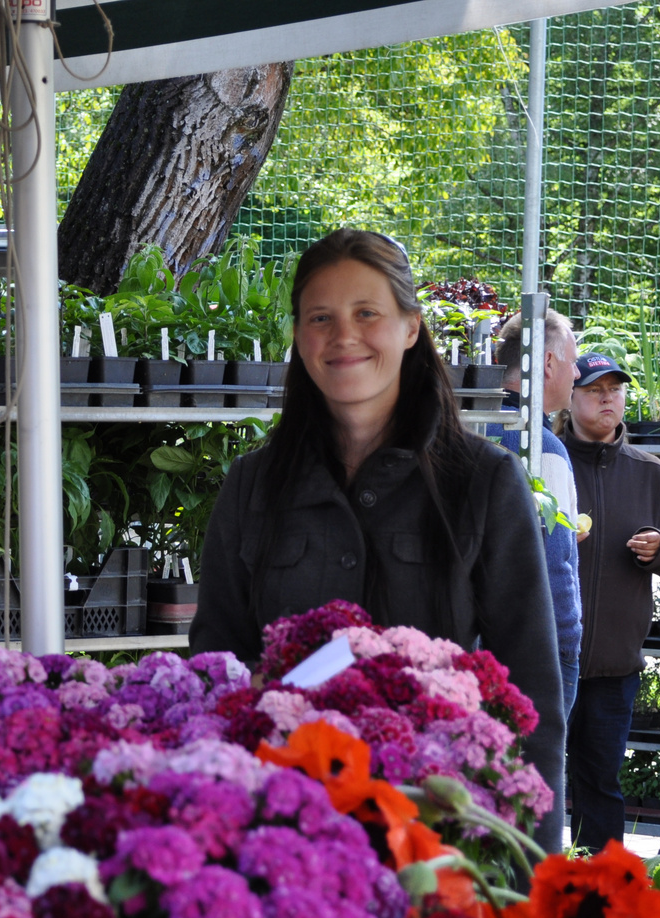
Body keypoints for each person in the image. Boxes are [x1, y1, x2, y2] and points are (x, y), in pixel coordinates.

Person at [189, 228, 568, 852]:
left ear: (411, 328)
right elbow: (217, 674)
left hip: (438, 846)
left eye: (368, 313)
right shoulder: (252, 486)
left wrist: (531, 876)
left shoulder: (482, 482)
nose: (344, 335)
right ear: (298, 335)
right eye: (320, 317)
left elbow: (532, 700)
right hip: (283, 841)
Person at [560, 352, 660, 852]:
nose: (607, 397)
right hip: (549, 660)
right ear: (570, 397)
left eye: (615, 389)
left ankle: (603, 895)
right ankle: (532, 893)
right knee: (535, 785)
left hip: (614, 668)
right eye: (595, 389)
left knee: (600, 787)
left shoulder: (651, 473)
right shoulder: (544, 464)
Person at [493, 310, 583, 720]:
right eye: (572, 360)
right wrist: (568, 643)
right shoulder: (542, 448)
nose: (578, 373)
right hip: (537, 648)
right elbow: (553, 562)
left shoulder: (465, 430)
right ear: (547, 364)